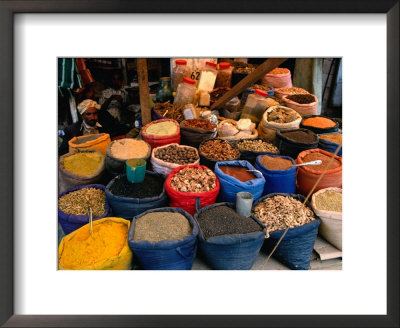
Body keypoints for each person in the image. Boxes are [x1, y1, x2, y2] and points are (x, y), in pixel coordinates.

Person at [58, 99, 130, 156]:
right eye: (88, 114)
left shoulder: (105, 125)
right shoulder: (72, 130)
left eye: (95, 113)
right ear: (82, 116)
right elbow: (63, 152)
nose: (93, 117)